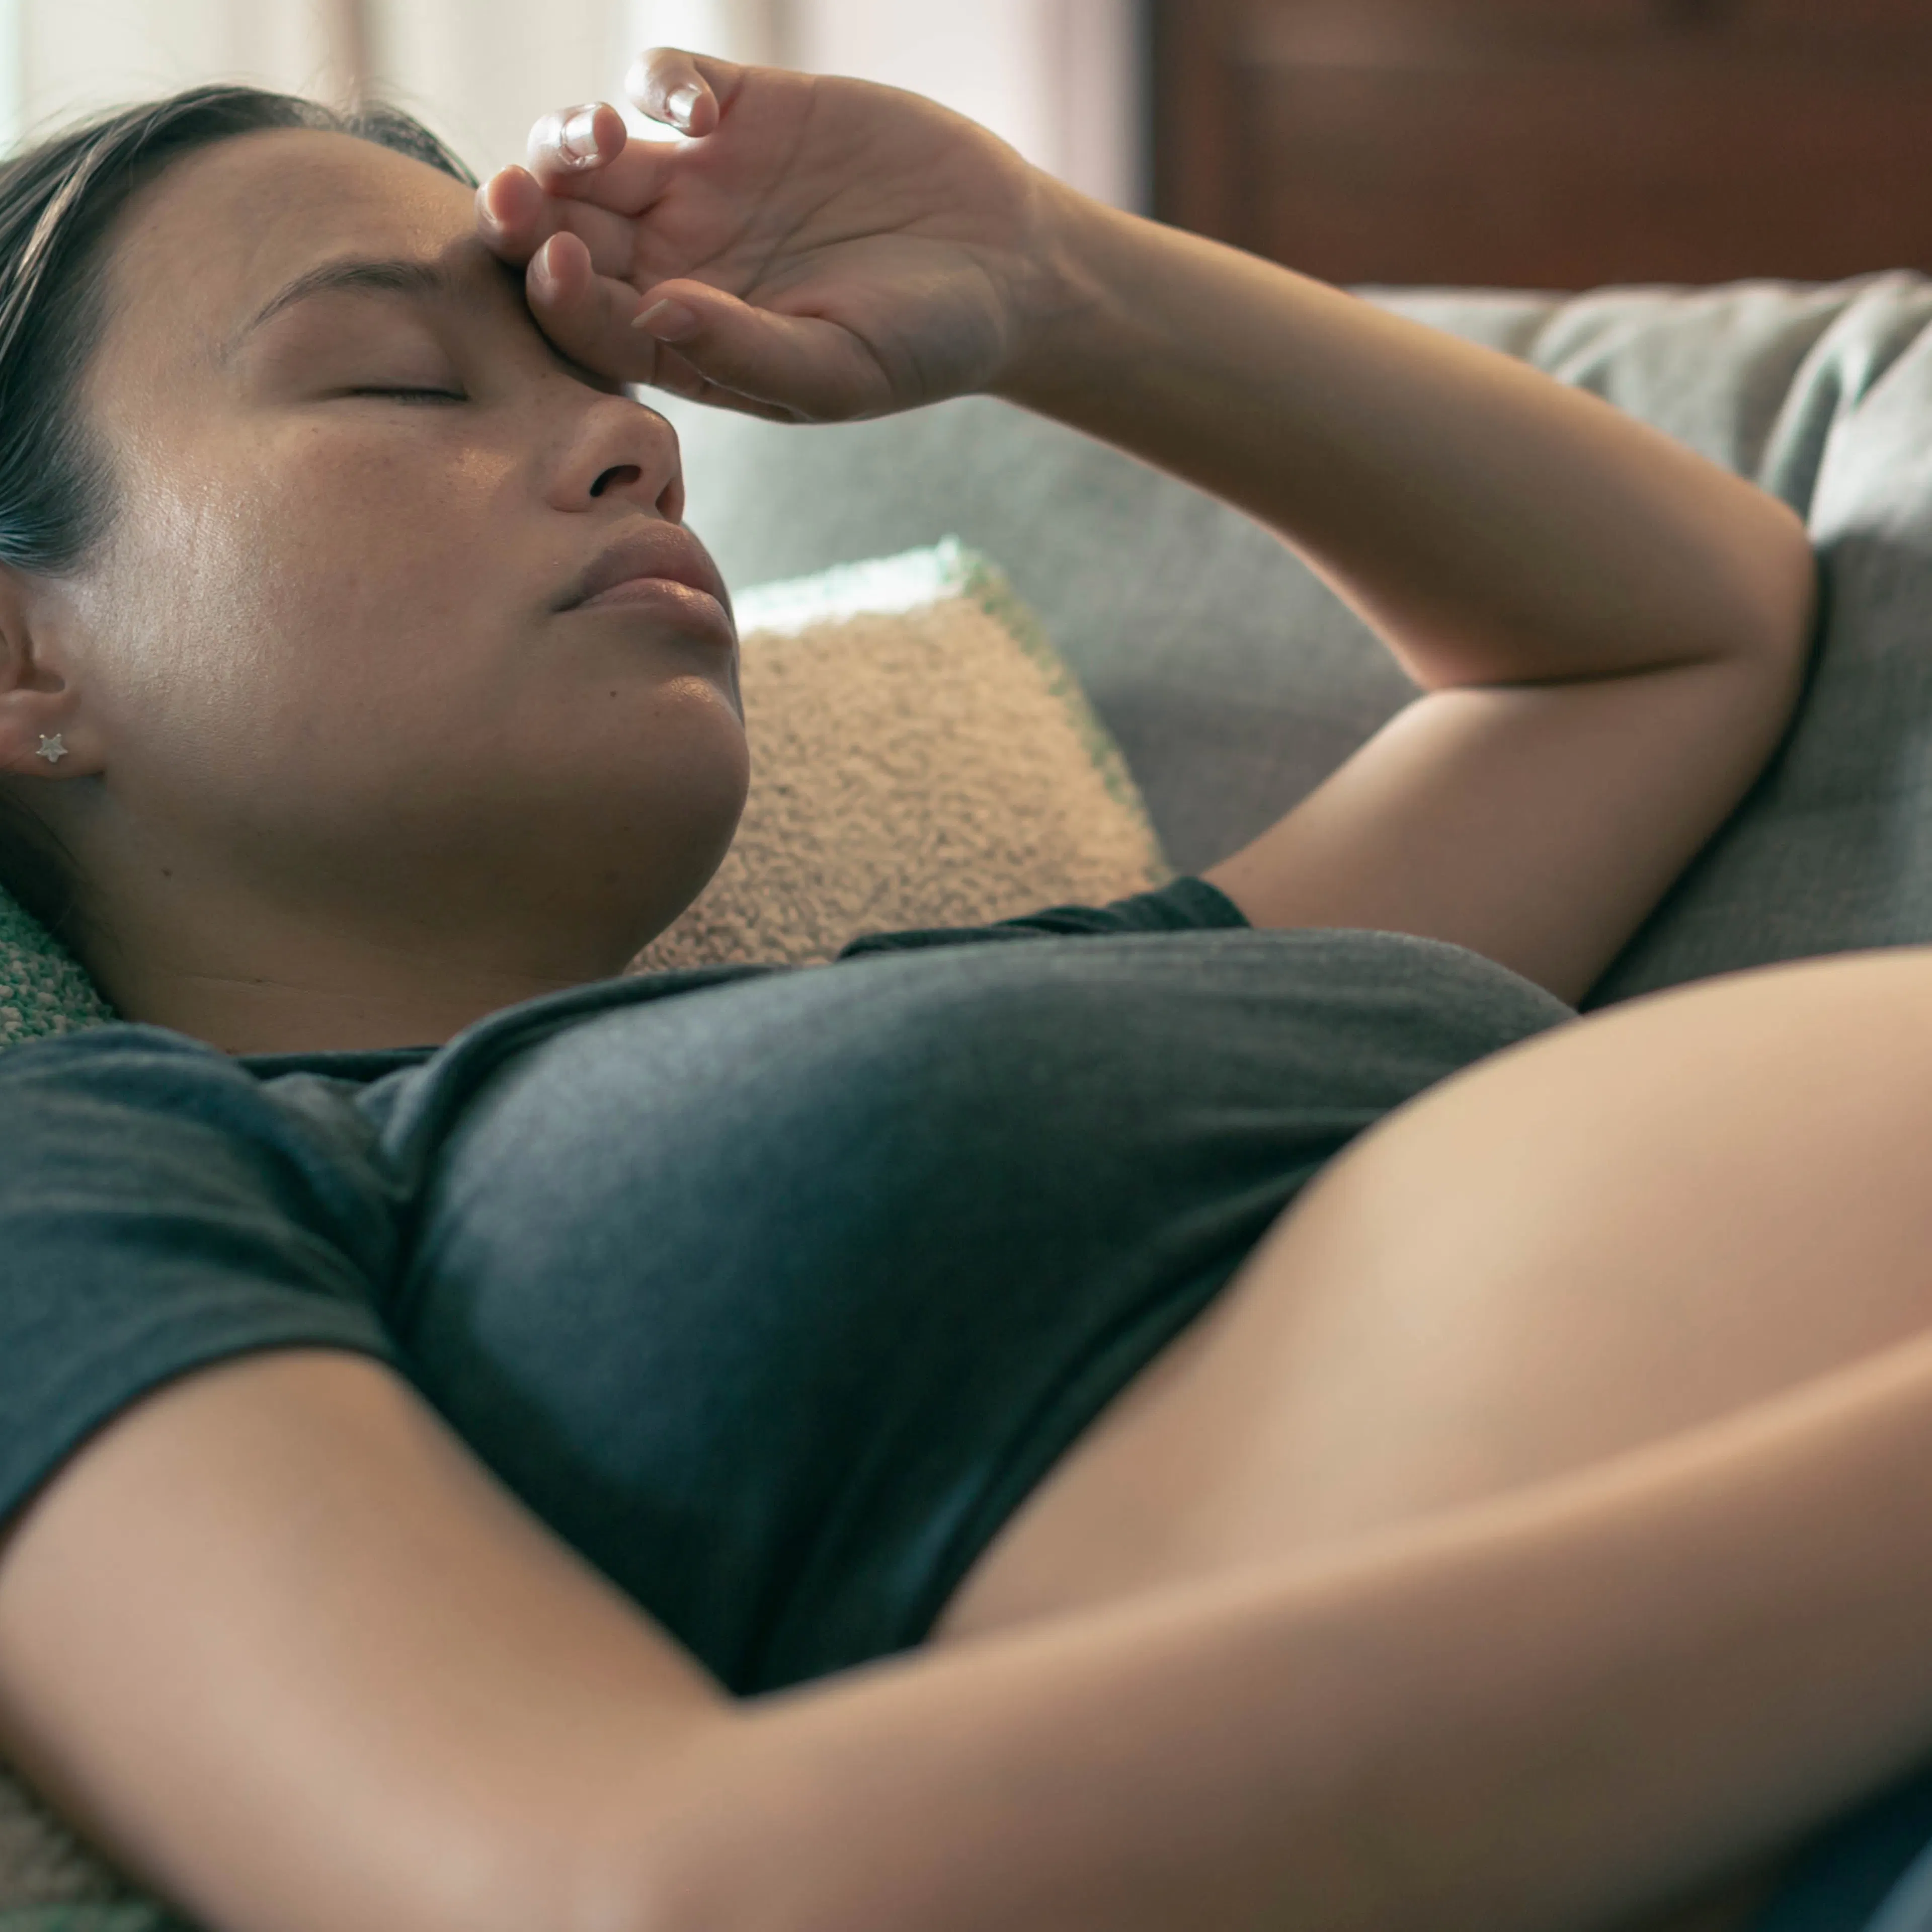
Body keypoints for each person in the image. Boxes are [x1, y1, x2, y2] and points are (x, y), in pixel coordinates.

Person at [0, 38, 1925, 1932]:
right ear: (22, 660)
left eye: (603, 378)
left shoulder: (1020, 1003)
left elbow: (1674, 635)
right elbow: (631, 1882)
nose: (636, 441)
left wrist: (1044, 276)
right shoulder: (85, 1186)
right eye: (403, 381)